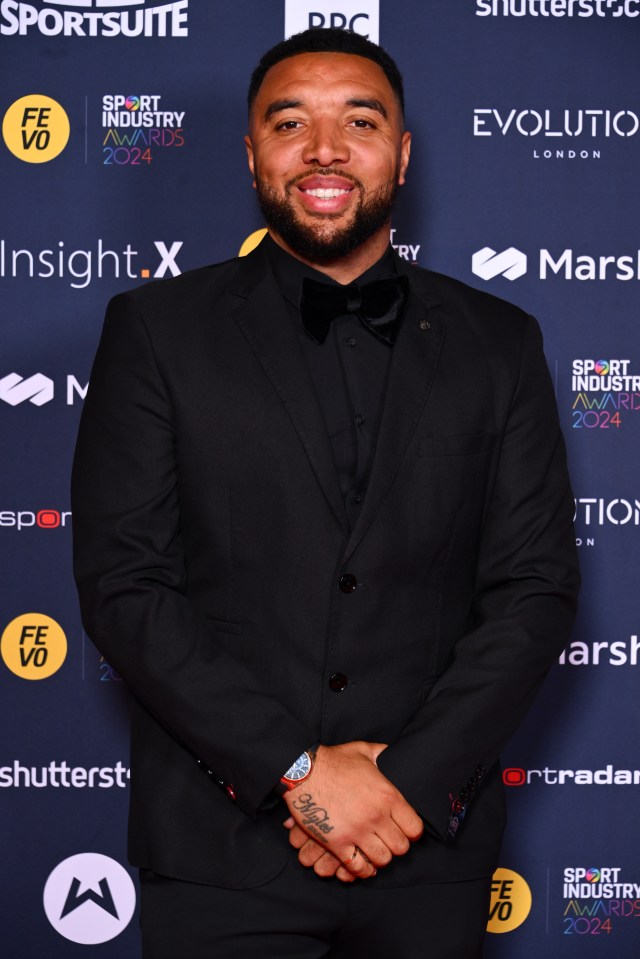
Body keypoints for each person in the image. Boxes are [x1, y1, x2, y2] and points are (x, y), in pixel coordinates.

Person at [72, 26, 580, 959]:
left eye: (360, 120)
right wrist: (299, 774)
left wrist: (407, 784)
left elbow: (534, 588)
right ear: (253, 151)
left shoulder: (501, 342)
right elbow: (125, 583)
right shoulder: (155, 330)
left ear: (403, 151)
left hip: (427, 849)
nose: (325, 150)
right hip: (222, 853)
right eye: (290, 122)